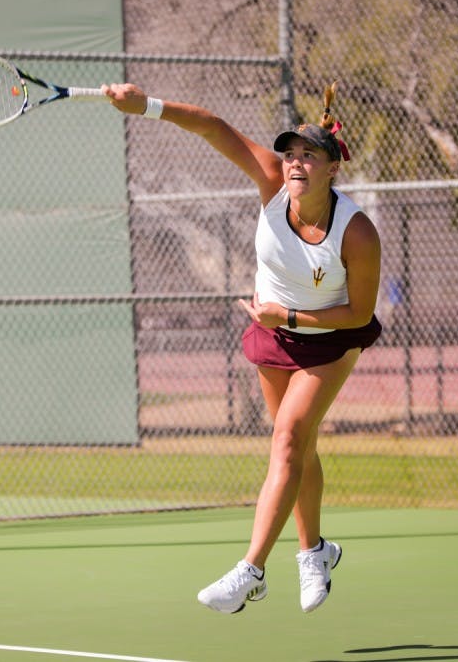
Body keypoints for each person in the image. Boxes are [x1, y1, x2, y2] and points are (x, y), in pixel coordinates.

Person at [102, 81, 382, 614]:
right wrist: (147, 107)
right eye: (291, 154)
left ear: (332, 169)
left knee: (289, 439)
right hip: (274, 333)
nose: (295, 163)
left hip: (331, 337)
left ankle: (251, 572)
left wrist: (292, 315)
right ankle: (315, 552)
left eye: (309, 156)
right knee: (297, 446)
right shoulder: (273, 183)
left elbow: (360, 313)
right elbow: (213, 126)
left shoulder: (358, 233)